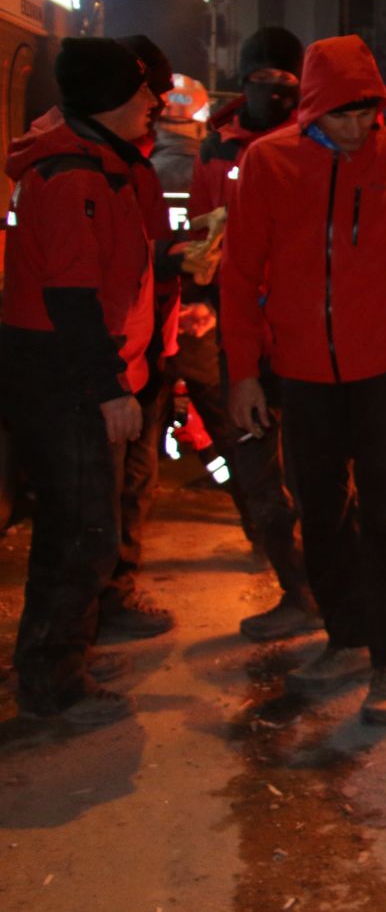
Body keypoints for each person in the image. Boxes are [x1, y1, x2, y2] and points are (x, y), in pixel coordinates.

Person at [222, 35, 386, 725]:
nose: (357, 128)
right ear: (313, 108)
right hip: (301, 373)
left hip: (385, 370)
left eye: (368, 113)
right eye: (342, 114)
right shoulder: (268, 163)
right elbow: (239, 274)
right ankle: (346, 634)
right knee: (319, 509)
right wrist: (244, 373)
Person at [1, 38, 158, 726]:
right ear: (110, 103)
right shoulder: (73, 180)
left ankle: (62, 652)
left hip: (62, 368)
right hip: (62, 374)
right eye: (143, 94)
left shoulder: (100, 167)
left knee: (78, 524)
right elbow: (72, 297)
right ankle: (52, 680)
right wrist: (108, 387)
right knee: (84, 530)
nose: (155, 104)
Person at [185, 25, 317, 642]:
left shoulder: (314, 144)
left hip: (306, 334)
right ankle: (300, 587)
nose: (274, 94)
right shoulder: (216, 149)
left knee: (316, 471)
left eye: (287, 83)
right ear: (244, 83)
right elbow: (208, 240)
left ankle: (325, 589)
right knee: (257, 467)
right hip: (241, 332)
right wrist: (203, 296)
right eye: (262, 82)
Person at [105, 34, 182, 642]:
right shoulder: (94, 170)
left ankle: (113, 594)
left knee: (133, 480)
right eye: (149, 95)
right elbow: (93, 283)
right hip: (112, 363)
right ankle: (77, 638)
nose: (156, 106)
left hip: (146, 348)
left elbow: (147, 259)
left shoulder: (136, 161)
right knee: (98, 498)